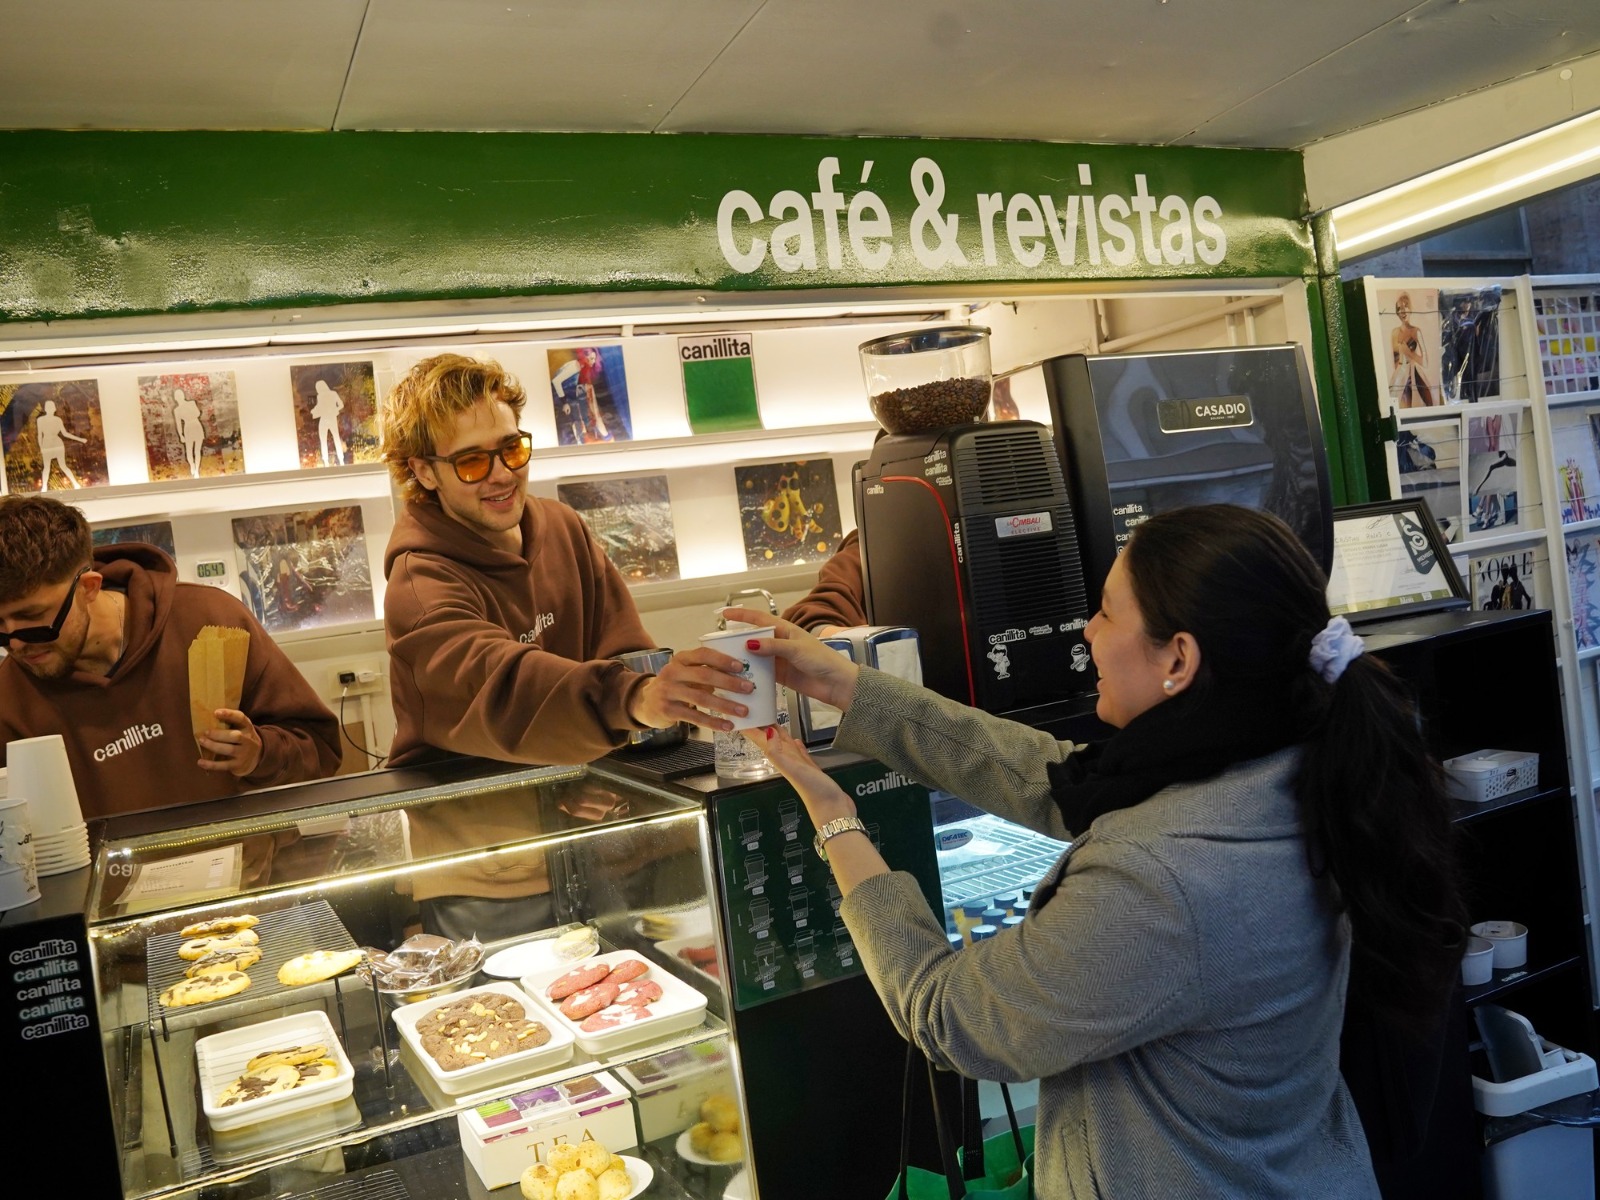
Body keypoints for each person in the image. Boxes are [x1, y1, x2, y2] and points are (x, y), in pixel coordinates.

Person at [727, 504, 1466, 1200]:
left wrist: (834, 819)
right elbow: (1057, 778)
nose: (1086, 631)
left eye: (1109, 611)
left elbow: (950, 1016)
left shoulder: (1159, 883)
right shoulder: (1291, 759)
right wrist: (844, 683)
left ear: (1179, 658)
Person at [380, 353, 753, 935]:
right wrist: (629, 700)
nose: (502, 474)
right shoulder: (419, 585)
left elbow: (623, 651)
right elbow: (499, 685)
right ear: (423, 471)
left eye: (512, 449)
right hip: (493, 876)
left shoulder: (561, 527)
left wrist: (622, 736)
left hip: (605, 839)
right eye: (472, 462)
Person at [0, 495, 344, 819]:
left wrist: (259, 756)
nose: (15, 645)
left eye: (33, 619)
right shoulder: (9, 699)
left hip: (247, 875)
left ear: (89, 588)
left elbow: (320, 751)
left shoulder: (210, 622)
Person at [1389, 292, 1436, 409]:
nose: (1403, 311)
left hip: (1412, 374)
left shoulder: (1416, 331)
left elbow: (1425, 362)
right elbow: (1395, 360)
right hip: (1399, 376)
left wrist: (1409, 353)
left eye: (1406, 306)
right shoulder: (1394, 333)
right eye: (1399, 308)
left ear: (1410, 308)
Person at [35, 399, 87, 489]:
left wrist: (80, 439)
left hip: (57, 444)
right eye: (49, 407)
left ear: (54, 409)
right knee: (46, 468)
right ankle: (44, 487)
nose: (51, 409)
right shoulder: (40, 420)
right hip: (47, 445)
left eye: (52, 407)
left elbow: (65, 433)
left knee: (63, 466)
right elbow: (39, 434)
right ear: (46, 409)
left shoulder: (58, 420)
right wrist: (41, 448)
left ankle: (75, 483)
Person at [310, 379, 347, 466]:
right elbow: (340, 405)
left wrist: (332, 410)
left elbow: (340, 405)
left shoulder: (323, 396)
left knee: (326, 440)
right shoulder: (331, 394)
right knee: (335, 439)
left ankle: (328, 461)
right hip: (330, 418)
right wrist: (334, 410)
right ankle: (339, 461)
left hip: (326, 419)